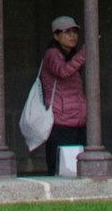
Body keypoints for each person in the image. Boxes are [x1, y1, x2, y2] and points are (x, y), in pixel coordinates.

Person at [34, 13, 90, 168]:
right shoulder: (52, 54)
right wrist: (84, 53)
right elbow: (63, 71)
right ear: (56, 36)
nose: (72, 35)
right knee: (61, 167)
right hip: (61, 121)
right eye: (66, 32)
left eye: (74, 31)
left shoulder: (71, 55)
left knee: (77, 166)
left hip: (78, 119)